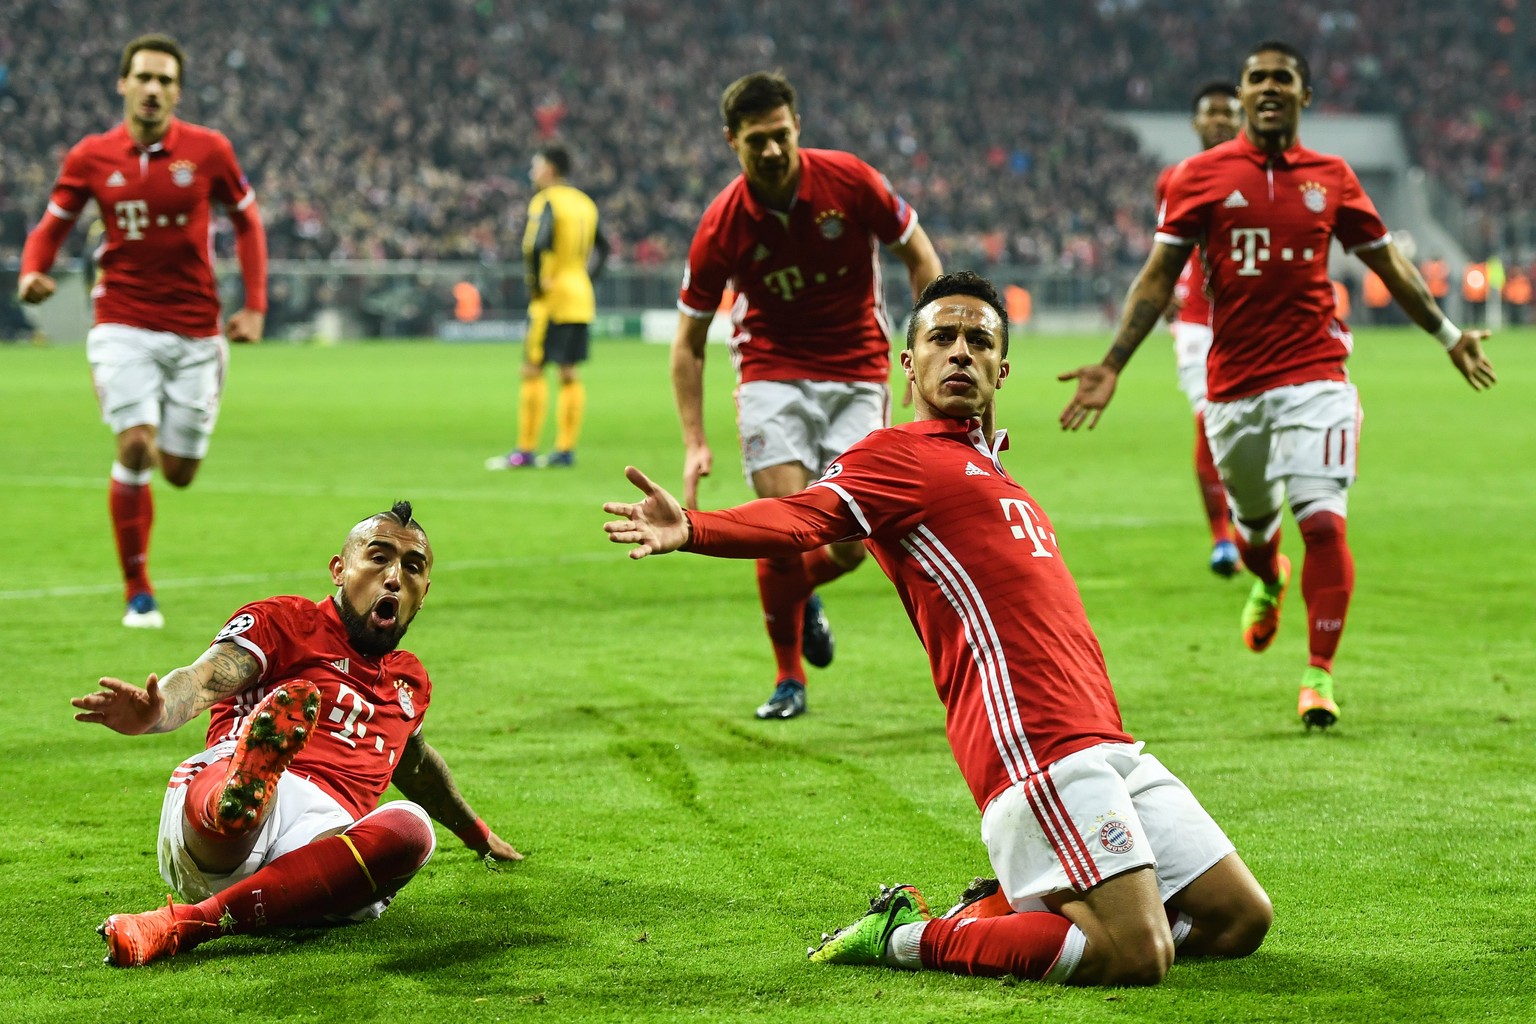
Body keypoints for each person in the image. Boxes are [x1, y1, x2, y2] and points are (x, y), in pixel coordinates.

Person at [605, 272, 1272, 986]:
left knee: (1239, 918)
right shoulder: (894, 456)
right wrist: (695, 528)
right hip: (1033, 744)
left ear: (1001, 369)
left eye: (978, 341)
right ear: (908, 361)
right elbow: (803, 516)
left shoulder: (997, 473)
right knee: (1137, 955)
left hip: (1105, 738)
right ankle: (908, 935)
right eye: (941, 338)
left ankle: (1018, 916)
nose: (960, 353)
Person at [1059, 40, 1496, 730]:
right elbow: (1154, 278)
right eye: (1257, 77)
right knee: (1257, 533)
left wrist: (1449, 334)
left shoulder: (1333, 176)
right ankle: (1268, 577)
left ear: (1304, 96)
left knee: (1322, 520)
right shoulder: (1198, 176)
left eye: (1282, 78)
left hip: (1316, 375)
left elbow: (1391, 265)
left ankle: (1318, 675)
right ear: (1243, 94)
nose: (1269, 87)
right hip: (1233, 386)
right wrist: (1112, 362)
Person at [71, 501, 522, 966]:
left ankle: (192, 918)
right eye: (378, 557)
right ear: (339, 569)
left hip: (323, 846)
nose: (394, 577)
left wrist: (477, 834)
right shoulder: (286, 622)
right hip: (222, 825)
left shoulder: (410, 681)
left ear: (423, 592)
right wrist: (159, 709)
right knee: (235, 791)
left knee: (413, 828)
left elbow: (417, 765)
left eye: (412, 567)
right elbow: (205, 678)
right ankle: (244, 794)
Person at [672, 71, 943, 720]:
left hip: (857, 373)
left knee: (850, 545)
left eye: (781, 136)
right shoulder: (721, 225)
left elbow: (922, 257)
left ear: (798, 129)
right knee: (787, 527)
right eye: (756, 140)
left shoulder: (850, 181)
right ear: (732, 142)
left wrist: (925, 362)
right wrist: (694, 440)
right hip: (771, 375)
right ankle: (789, 678)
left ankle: (797, 597)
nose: (771, 151)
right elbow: (689, 341)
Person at [18, 34, 269, 630]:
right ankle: (138, 592)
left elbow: (248, 223)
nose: (153, 88)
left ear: (177, 91)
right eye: (143, 77)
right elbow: (51, 226)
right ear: (123, 84)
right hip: (121, 323)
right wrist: (33, 269)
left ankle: (157, 465)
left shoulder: (209, 151)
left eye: (164, 80)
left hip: (195, 333)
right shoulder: (90, 156)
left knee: (178, 472)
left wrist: (255, 305)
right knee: (134, 445)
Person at [1157, 81, 1242, 577]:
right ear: (1195, 123)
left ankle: (1245, 514)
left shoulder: (1261, 175)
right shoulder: (1175, 179)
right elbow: (1164, 243)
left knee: (1247, 426)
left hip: (1251, 322)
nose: (1218, 121)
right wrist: (1164, 287)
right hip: (1195, 323)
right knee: (1208, 421)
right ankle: (1221, 538)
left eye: (1227, 113)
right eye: (1210, 113)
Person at [486, 145, 610, 470]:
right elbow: (605, 247)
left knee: (532, 368)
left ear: (550, 169)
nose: (532, 172)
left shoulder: (547, 201)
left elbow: (534, 244)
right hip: (580, 294)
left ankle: (525, 450)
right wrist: (585, 277)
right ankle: (564, 450)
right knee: (569, 372)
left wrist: (535, 285)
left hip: (552, 296)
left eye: (536, 165)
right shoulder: (585, 202)